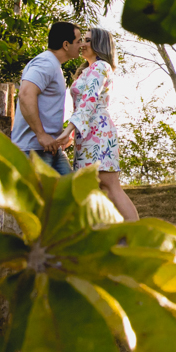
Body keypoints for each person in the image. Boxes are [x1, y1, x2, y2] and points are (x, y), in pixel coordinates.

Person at [65, 28, 139, 220]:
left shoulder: (101, 67)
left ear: (99, 44)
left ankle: (137, 236)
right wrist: (73, 133)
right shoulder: (85, 71)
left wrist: (68, 130)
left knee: (110, 186)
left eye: (87, 40)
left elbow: (89, 99)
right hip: (85, 133)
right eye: (82, 40)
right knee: (93, 188)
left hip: (99, 132)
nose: (82, 44)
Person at [11, 21, 81, 175]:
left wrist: (61, 134)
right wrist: (41, 134)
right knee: (38, 198)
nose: (81, 45)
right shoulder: (46, 63)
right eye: (78, 41)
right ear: (66, 44)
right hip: (34, 149)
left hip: (50, 148)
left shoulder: (53, 65)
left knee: (69, 193)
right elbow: (25, 94)